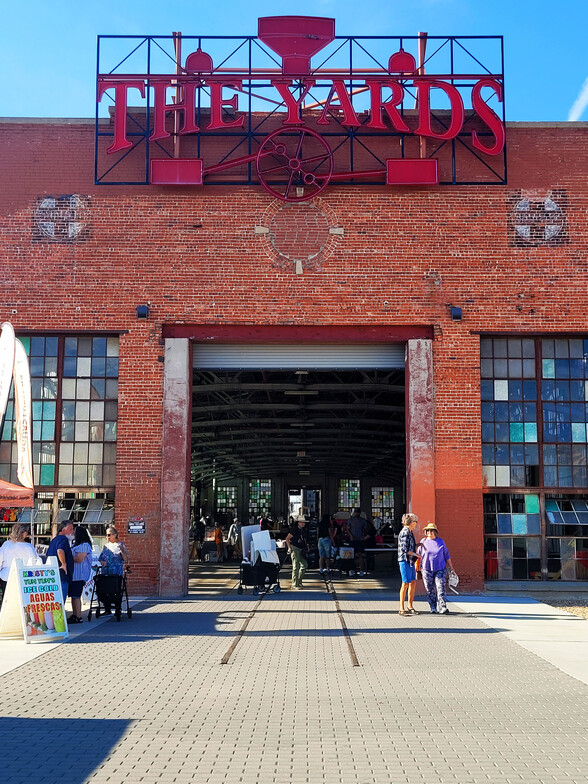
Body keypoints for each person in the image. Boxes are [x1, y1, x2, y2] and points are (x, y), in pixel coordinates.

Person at [417, 523, 456, 615]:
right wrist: (417, 566)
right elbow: (418, 555)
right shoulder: (423, 542)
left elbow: (446, 555)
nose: (429, 532)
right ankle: (433, 607)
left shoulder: (440, 541)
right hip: (426, 569)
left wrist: (451, 567)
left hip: (440, 569)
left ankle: (442, 606)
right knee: (429, 589)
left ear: (435, 532)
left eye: (431, 531)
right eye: (428, 531)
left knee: (440, 587)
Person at [0, 523, 38, 603]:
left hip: (6, 576)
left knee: (7, 601)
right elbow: (35, 562)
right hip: (23, 577)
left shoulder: (6, 544)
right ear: (24, 534)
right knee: (22, 602)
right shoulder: (29, 547)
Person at [99, 526, 129, 615]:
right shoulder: (106, 546)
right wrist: (102, 562)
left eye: (109, 535)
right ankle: (107, 608)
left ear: (115, 535)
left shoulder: (120, 545)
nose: (107, 537)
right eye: (106, 535)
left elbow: (126, 559)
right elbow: (101, 557)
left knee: (116, 591)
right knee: (104, 590)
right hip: (106, 572)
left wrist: (122, 550)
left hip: (116, 573)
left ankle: (117, 609)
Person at [69, 526, 93, 624]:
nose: (73, 533)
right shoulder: (75, 545)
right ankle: (74, 614)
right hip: (73, 574)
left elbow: (79, 559)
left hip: (79, 575)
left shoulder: (84, 545)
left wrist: (67, 558)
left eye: (74, 532)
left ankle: (78, 616)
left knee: (76, 596)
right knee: (73, 596)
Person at [397, 513, 419, 616]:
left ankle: (410, 606)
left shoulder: (410, 532)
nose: (416, 523)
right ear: (410, 522)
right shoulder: (405, 532)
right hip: (404, 560)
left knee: (413, 582)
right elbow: (405, 550)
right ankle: (401, 608)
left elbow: (411, 546)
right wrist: (417, 555)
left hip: (410, 560)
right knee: (405, 583)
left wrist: (419, 545)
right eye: (415, 521)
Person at [46, 520, 74, 600]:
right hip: (61, 575)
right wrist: (64, 564)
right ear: (63, 530)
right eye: (70, 529)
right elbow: (60, 551)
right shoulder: (63, 539)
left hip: (54, 574)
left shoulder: (54, 540)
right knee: (60, 601)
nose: (73, 531)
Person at [286, 517, 308, 589]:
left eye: (304, 522)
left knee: (304, 565)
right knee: (296, 566)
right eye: (301, 522)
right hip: (294, 548)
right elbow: (287, 539)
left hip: (301, 549)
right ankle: (295, 584)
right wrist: (289, 548)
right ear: (298, 522)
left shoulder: (302, 530)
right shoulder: (294, 530)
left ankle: (298, 581)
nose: (303, 523)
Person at [348, 508, 368, 575]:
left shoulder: (363, 521)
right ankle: (352, 569)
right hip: (353, 540)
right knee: (351, 555)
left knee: (360, 555)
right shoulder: (350, 520)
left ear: (360, 513)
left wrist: (363, 536)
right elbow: (348, 529)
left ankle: (361, 570)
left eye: (358, 512)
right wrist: (351, 536)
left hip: (359, 540)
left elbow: (365, 530)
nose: (357, 513)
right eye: (356, 512)